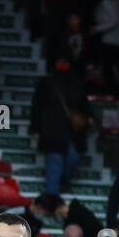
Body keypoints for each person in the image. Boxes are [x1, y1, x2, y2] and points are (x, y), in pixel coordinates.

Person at [31, 60, 86, 195]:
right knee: (55, 164)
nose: (62, 64)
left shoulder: (76, 82)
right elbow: (37, 107)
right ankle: (51, 200)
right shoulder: (46, 82)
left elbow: (83, 104)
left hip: (70, 132)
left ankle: (62, 184)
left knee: (73, 159)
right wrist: (35, 129)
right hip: (51, 130)